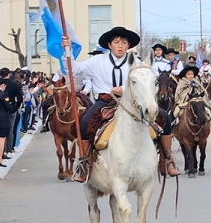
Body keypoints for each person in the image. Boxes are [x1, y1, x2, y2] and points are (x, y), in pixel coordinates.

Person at [64, 26, 180, 182]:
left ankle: (166, 160)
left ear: (128, 46)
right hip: (104, 102)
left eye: (124, 42)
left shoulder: (136, 63)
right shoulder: (97, 61)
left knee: (164, 118)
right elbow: (75, 70)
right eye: (116, 42)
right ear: (109, 45)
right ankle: (84, 164)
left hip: (131, 104)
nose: (120, 45)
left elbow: (146, 83)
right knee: (85, 123)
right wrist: (67, 51)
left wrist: (124, 89)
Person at [172, 64, 211, 139]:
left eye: (192, 74)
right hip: (185, 102)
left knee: (209, 110)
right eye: (188, 74)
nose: (191, 76)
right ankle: (171, 128)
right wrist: (189, 89)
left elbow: (202, 92)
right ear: (185, 75)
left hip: (198, 102)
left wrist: (199, 94)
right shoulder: (182, 83)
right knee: (174, 111)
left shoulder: (197, 82)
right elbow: (179, 94)